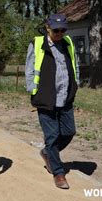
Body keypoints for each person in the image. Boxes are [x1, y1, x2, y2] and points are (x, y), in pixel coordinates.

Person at [25, 13, 79, 189]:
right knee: (52, 136)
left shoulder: (67, 43)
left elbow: (73, 64)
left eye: (63, 29)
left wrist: (76, 84)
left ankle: (48, 152)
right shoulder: (37, 44)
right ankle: (58, 173)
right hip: (46, 97)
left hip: (66, 96)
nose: (59, 33)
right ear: (48, 27)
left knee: (69, 131)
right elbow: (29, 68)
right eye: (56, 30)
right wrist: (33, 90)